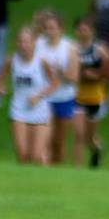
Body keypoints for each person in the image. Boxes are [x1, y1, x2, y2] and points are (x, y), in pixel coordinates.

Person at [0, 25, 58, 165]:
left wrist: (38, 95)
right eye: (20, 42)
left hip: (39, 110)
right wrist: (0, 89)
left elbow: (54, 84)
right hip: (18, 110)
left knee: (36, 155)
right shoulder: (11, 61)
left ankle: (45, 171)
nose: (23, 45)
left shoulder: (42, 61)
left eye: (27, 42)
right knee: (23, 156)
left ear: (34, 42)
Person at [35, 10, 79, 167]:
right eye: (47, 28)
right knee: (45, 139)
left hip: (64, 98)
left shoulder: (69, 47)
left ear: (61, 29)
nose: (49, 31)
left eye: (53, 28)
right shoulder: (39, 44)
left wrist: (60, 73)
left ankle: (56, 169)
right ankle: (44, 168)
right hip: (45, 99)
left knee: (59, 142)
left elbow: (74, 77)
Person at [72, 16, 109, 169]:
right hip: (76, 96)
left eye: (86, 29)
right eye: (80, 29)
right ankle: (78, 168)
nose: (83, 32)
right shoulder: (72, 48)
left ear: (92, 31)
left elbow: (107, 72)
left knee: (90, 137)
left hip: (94, 97)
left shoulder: (99, 50)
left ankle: (97, 149)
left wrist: (95, 75)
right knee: (79, 134)